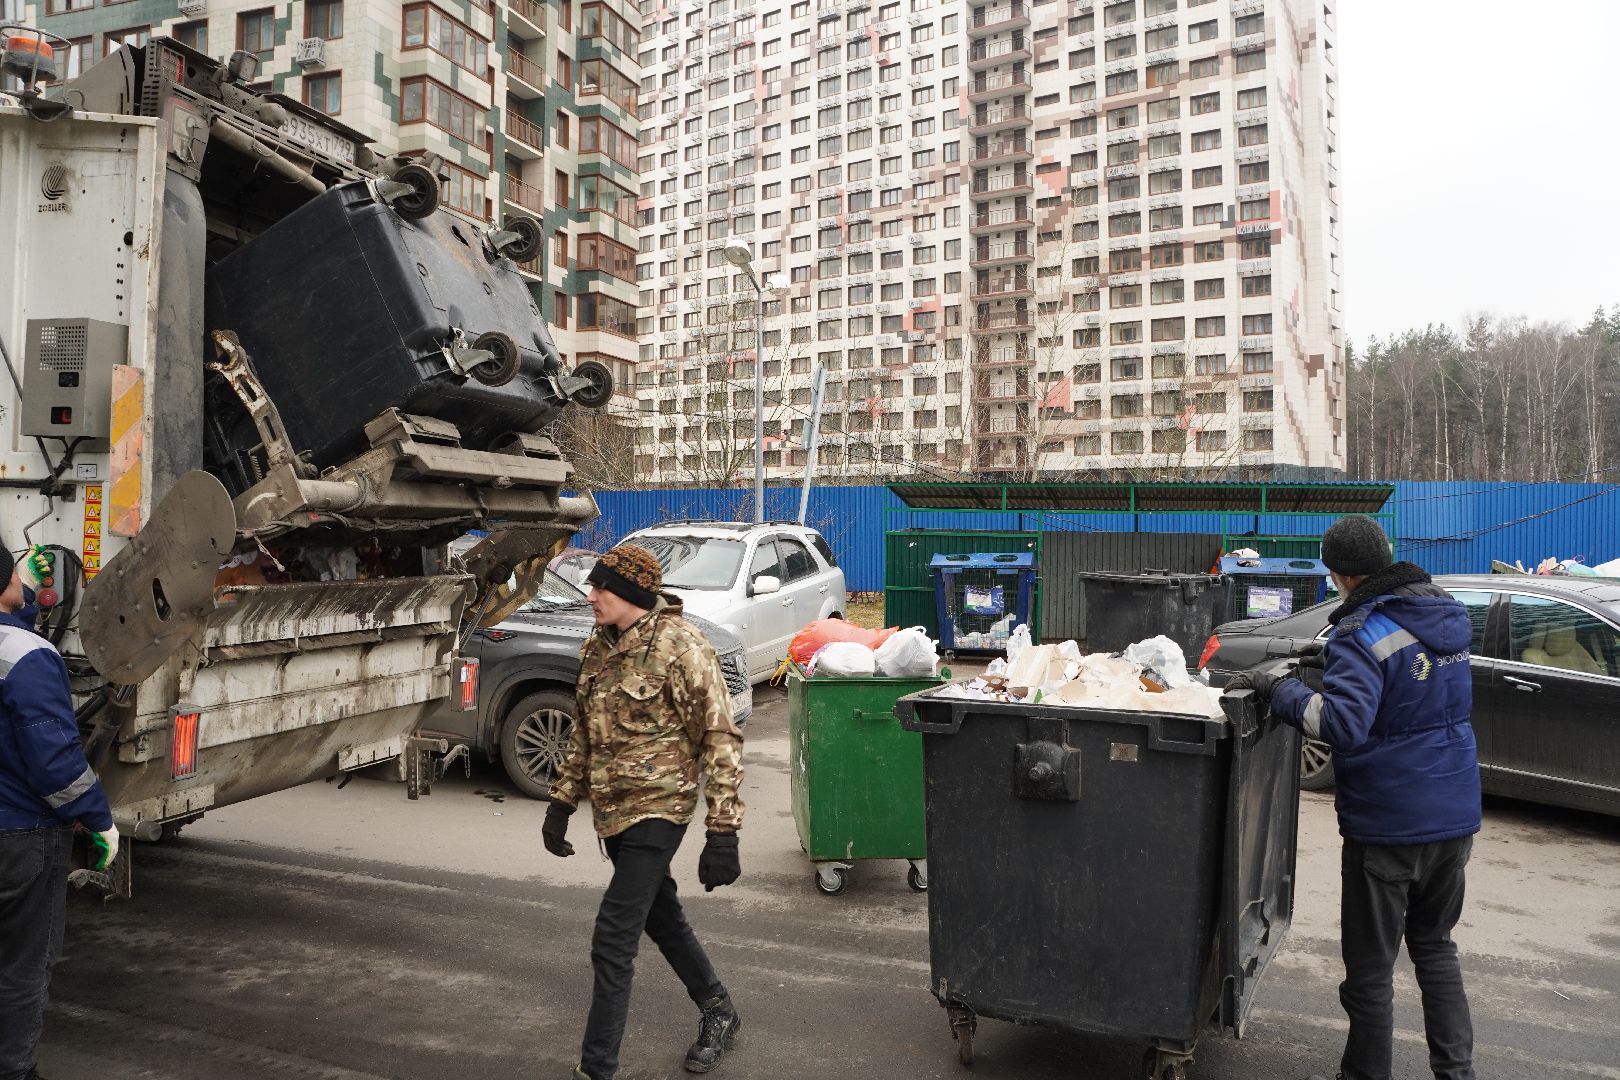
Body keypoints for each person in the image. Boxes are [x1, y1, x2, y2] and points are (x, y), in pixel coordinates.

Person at [1229, 515, 1480, 1080]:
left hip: (1389, 827)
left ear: (1339, 574)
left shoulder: (1360, 631)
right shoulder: (1445, 613)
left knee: (1370, 974)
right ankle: (1457, 1073)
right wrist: (1330, 664)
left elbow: (1341, 725)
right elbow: (1410, 685)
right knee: (1435, 948)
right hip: (1454, 815)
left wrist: (1280, 688)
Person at [543, 543, 746, 1080]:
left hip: (660, 808)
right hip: (613, 811)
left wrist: (723, 831)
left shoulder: (682, 647)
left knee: (613, 937)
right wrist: (562, 800)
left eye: (599, 587)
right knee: (662, 917)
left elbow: (719, 738)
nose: (590, 595)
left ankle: (597, 1069)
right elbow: (584, 729)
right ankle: (719, 1008)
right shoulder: (599, 644)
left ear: (629, 592)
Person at [1, 544, 118, 1080]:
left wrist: (20, 594)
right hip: (20, 835)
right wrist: (98, 819)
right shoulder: (28, 656)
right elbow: (54, 764)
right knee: (22, 965)